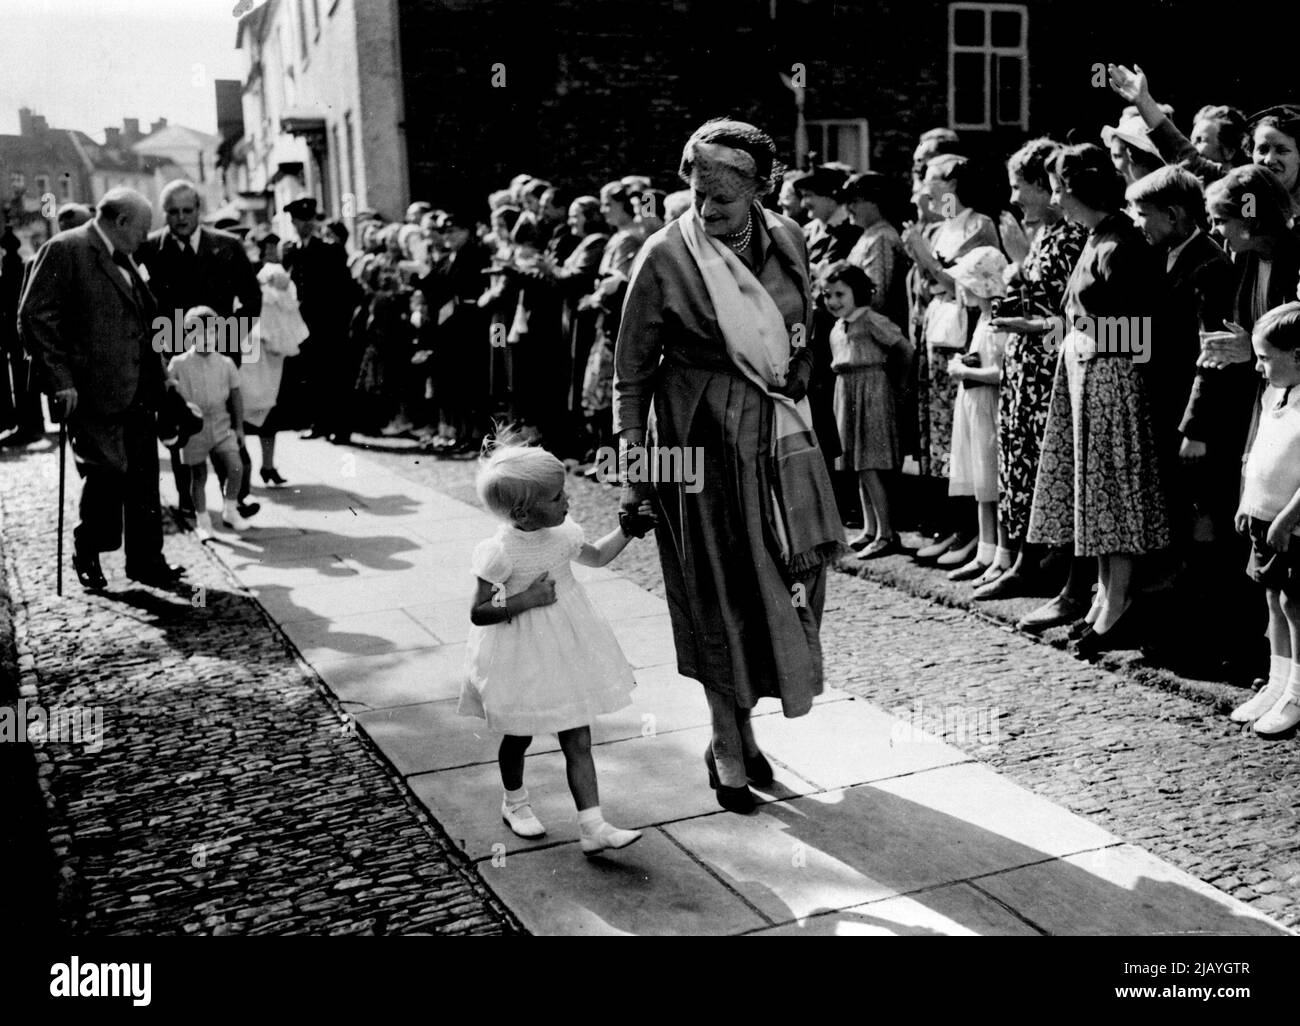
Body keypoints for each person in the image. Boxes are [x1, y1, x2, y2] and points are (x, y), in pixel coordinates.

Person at [613, 118, 842, 814]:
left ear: (760, 190)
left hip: (781, 439)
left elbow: (806, 331)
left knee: (798, 580)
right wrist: (636, 472)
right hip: (694, 441)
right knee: (713, 589)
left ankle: (744, 722)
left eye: (721, 202)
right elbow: (632, 374)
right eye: (694, 194)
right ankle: (726, 739)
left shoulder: (792, 241)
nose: (703, 212)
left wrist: (801, 364)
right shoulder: (664, 255)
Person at [461, 440, 649, 854]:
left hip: (567, 645)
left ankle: (592, 825)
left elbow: (596, 557)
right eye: (556, 496)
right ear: (523, 512)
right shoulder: (499, 552)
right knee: (519, 734)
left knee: (577, 736)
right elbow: (480, 611)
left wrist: (627, 531)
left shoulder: (562, 533)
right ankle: (515, 801)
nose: (567, 500)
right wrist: (526, 598)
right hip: (520, 653)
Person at [1023, 145, 1172, 655]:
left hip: (1112, 383)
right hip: (1089, 378)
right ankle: (1104, 599)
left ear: (1080, 192)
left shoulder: (1120, 245)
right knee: (1096, 497)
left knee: (1111, 496)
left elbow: (1143, 334)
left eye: (1061, 190)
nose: (1057, 200)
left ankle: (1117, 605)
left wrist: (1081, 334)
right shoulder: (1097, 238)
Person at [19, 187, 186, 590]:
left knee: (144, 480)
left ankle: (146, 562)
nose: (146, 237)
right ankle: (88, 546)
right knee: (108, 475)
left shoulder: (127, 256)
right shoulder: (67, 250)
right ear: (121, 221)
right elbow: (34, 317)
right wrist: (60, 380)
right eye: (143, 228)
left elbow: (142, 323)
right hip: (93, 391)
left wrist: (163, 377)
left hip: (140, 389)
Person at [976, 138, 1089, 602]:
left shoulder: (1069, 239)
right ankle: (1024, 558)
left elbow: (1069, 319)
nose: (1014, 197)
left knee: (1039, 465)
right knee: (1018, 463)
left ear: (1047, 187)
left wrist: (1021, 270)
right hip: (1025, 366)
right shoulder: (1044, 235)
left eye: (1020, 186)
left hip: (1047, 370)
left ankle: (1040, 563)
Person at [137, 179, 262, 524]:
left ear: (199, 211)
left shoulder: (227, 246)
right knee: (182, 426)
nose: (180, 218)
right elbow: (141, 306)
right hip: (173, 352)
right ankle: (189, 501)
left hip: (219, 349)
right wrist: (157, 350)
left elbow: (252, 299)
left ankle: (237, 497)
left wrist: (226, 337)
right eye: (173, 212)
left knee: (227, 424)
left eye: (187, 211)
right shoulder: (148, 250)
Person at [903, 154, 1002, 567]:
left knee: (959, 436)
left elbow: (967, 284)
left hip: (962, 331)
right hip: (936, 326)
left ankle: (971, 530)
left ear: (952, 182)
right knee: (941, 435)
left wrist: (925, 258)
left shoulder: (979, 225)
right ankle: (951, 526)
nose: (925, 186)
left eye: (931, 178)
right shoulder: (940, 226)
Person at [1231, 303, 1300, 736]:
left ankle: (1297, 689)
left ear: (1297, 355)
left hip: (1292, 524)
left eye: (1264, 358)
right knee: (1273, 598)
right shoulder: (1275, 390)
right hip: (1263, 516)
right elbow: (1258, 449)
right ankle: (1275, 682)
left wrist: (1287, 519)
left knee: (1296, 602)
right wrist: (1246, 502)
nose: (1258, 367)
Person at [821, 261, 904, 559]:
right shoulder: (838, 327)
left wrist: (898, 385)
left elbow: (903, 348)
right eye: (827, 295)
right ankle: (870, 529)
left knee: (870, 465)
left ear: (857, 292)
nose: (832, 302)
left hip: (871, 393)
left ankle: (887, 533)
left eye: (839, 294)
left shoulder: (870, 320)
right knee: (857, 465)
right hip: (847, 392)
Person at [944, 246, 1012, 584]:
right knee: (980, 480)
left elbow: (1002, 372)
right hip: (973, 404)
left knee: (992, 480)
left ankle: (1001, 554)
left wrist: (964, 372)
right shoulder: (983, 318)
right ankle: (985, 551)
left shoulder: (998, 321)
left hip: (989, 404)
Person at [168, 307, 251, 539]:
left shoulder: (225, 363)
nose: (206, 339)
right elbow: (169, 393)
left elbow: (235, 395)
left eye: (211, 333)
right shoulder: (179, 363)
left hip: (221, 423)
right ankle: (203, 521)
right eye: (198, 333)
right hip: (192, 426)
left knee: (236, 466)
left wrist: (239, 427)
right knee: (199, 475)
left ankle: (231, 509)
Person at [280, 196, 354, 440]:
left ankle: (341, 428)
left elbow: (343, 289)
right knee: (313, 375)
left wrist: (340, 322)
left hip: (329, 323)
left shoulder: (328, 250)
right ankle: (320, 423)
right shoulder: (294, 250)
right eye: (295, 221)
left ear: (311, 221)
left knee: (334, 375)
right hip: (305, 323)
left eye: (303, 220)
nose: (299, 226)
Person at [241, 235, 305, 487]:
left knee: (271, 410)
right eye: (265, 248)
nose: (270, 253)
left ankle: (268, 465)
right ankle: (242, 465)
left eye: (273, 248)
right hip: (250, 346)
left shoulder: (279, 277)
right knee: (246, 404)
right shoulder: (249, 274)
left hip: (273, 348)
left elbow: (289, 305)